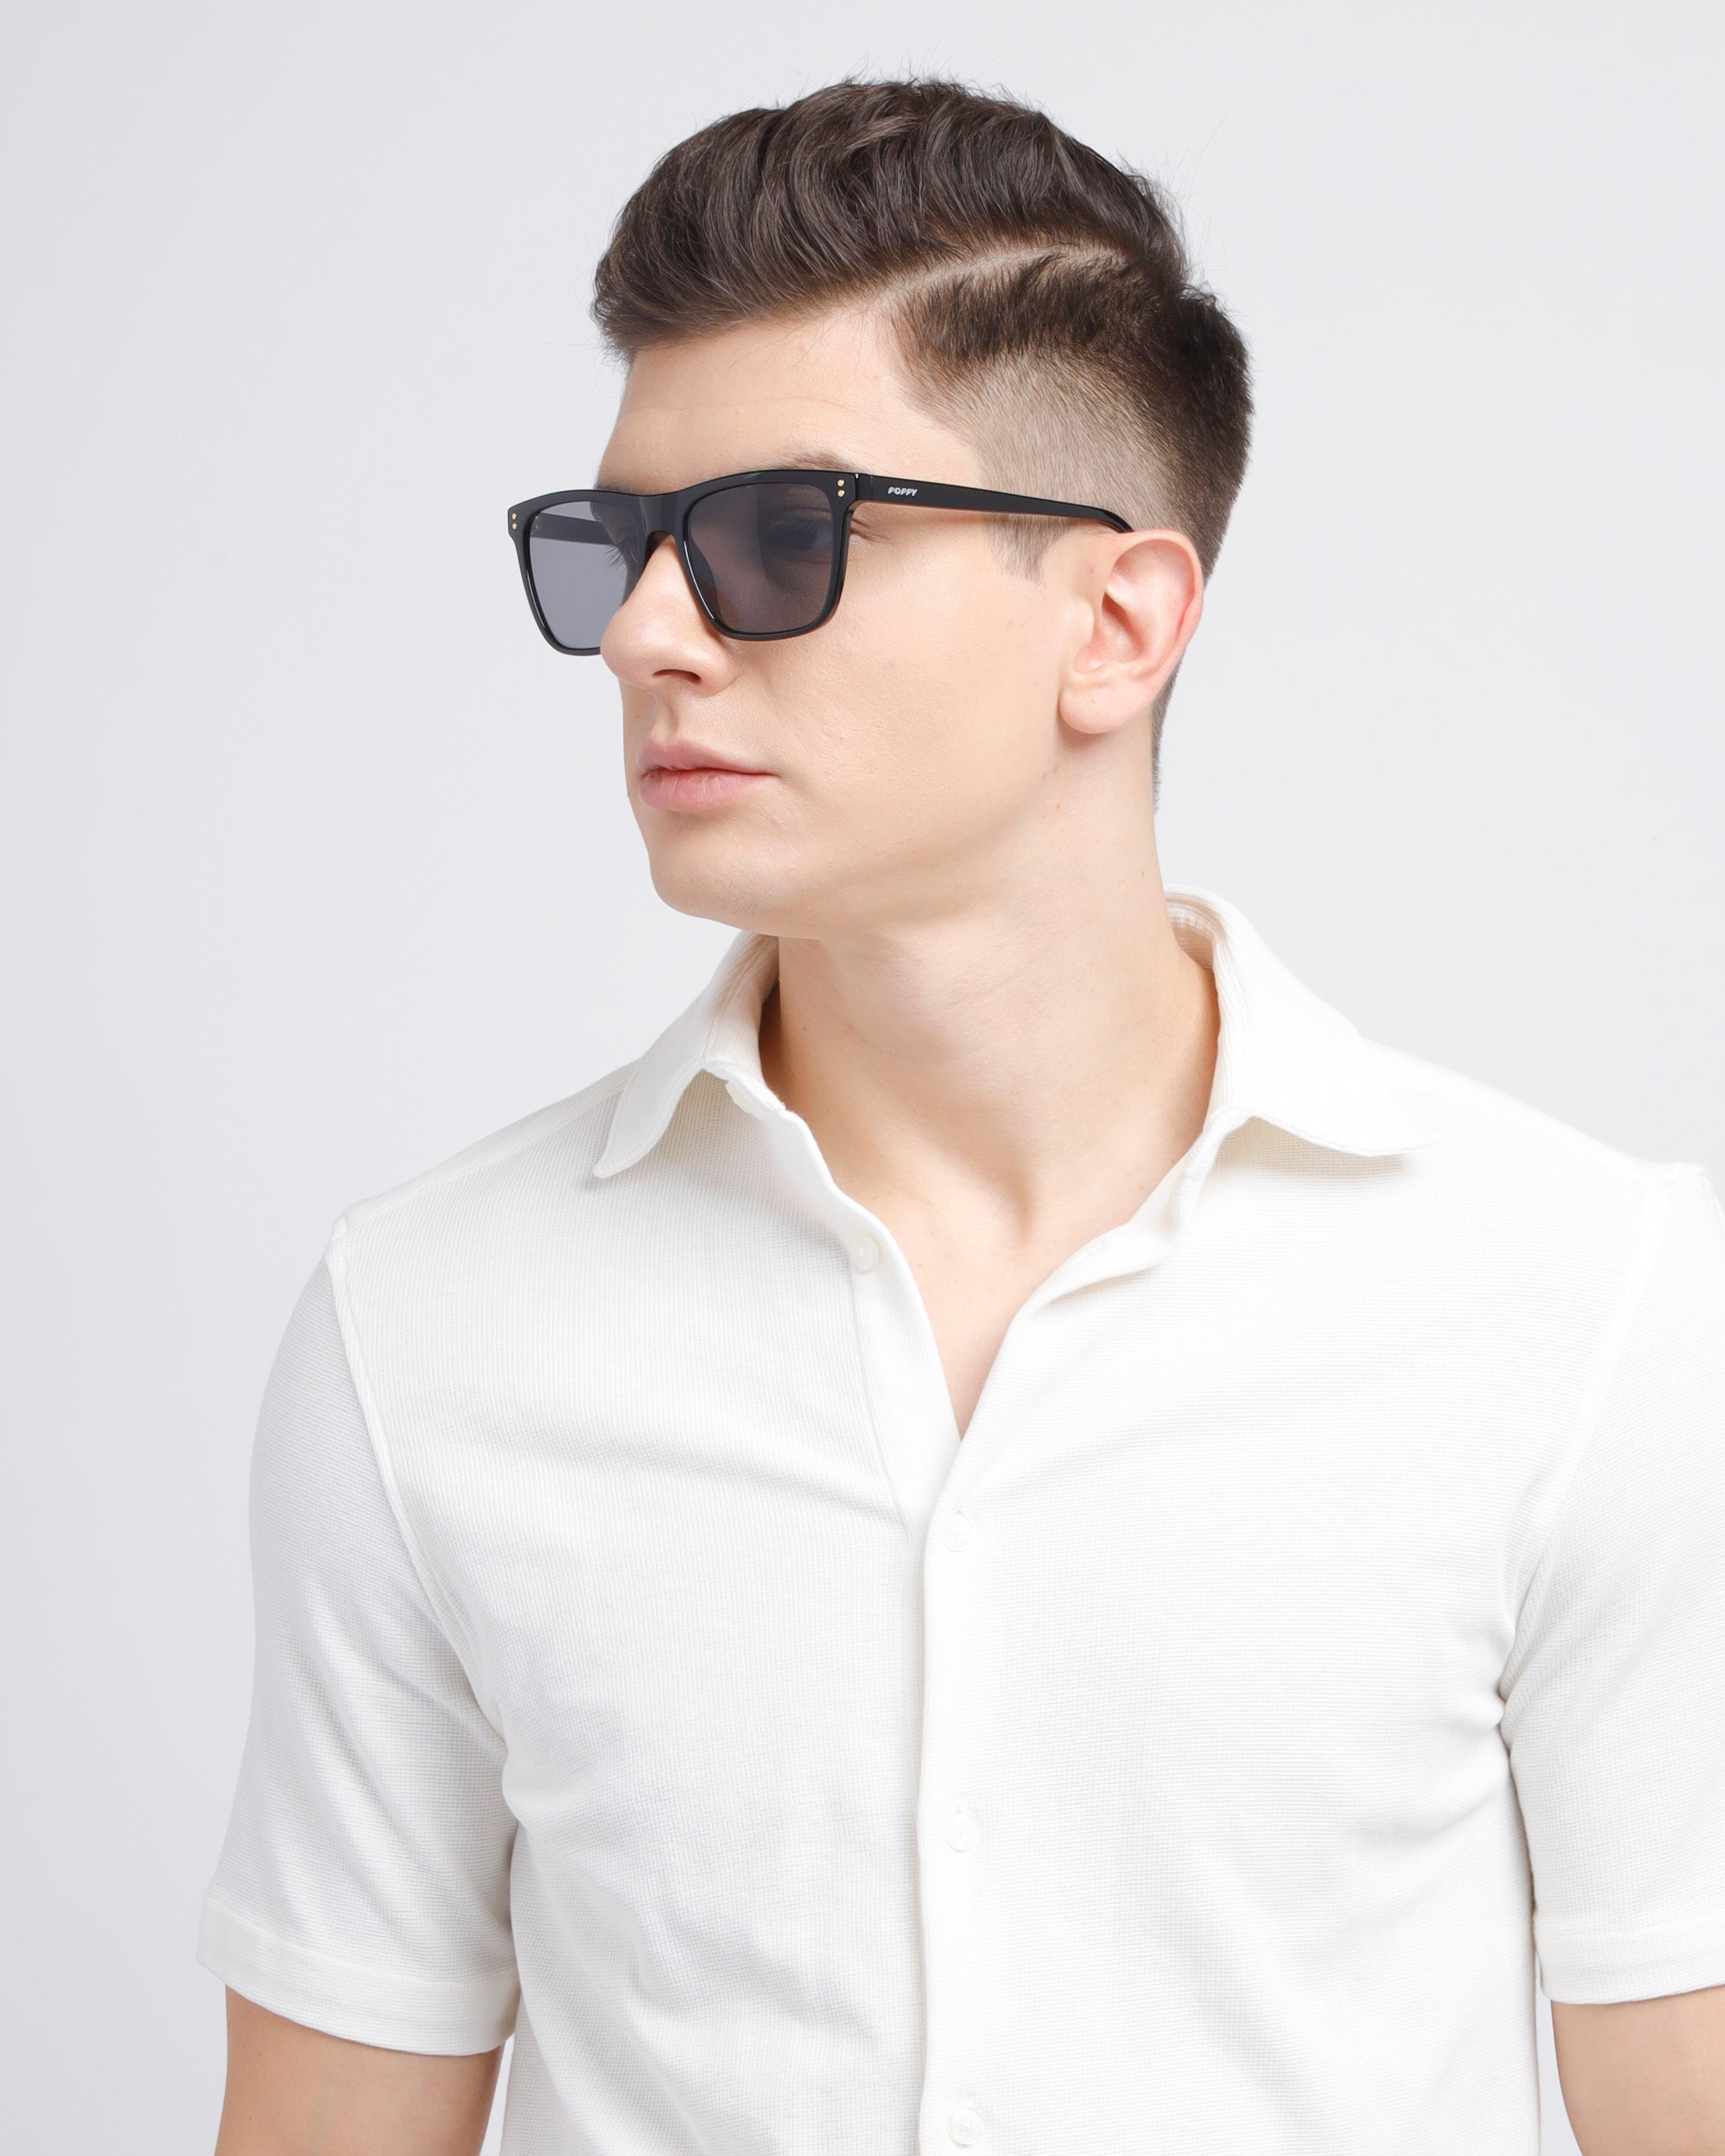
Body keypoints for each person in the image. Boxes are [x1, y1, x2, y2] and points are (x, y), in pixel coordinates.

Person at [198, 76, 1725, 2156]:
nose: (647, 634)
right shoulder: (426, 1331)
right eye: (621, 545)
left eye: (775, 538)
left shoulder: (1581, 1308)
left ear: (1118, 622)